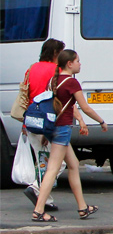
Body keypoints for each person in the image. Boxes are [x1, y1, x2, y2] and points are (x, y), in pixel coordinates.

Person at [31, 50, 107, 223]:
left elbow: (50, 105)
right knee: (52, 170)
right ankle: (39, 210)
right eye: (78, 61)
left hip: (52, 128)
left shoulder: (53, 80)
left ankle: (82, 207)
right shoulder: (72, 82)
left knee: (73, 165)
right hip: (62, 129)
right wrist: (101, 121)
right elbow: (85, 107)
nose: (80, 64)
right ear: (69, 64)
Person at [20, 38, 65, 211]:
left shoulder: (31, 69)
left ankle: (46, 199)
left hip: (31, 119)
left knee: (42, 160)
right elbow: (57, 99)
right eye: (61, 52)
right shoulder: (57, 71)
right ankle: (36, 189)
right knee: (56, 162)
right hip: (47, 121)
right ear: (55, 53)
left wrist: (24, 123)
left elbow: (25, 95)